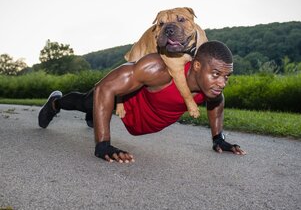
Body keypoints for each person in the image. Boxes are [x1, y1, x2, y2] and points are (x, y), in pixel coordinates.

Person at [38, 41, 246, 163]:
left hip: (140, 121)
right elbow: (105, 88)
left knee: (95, 109)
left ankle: (93, 115)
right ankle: (55, 102)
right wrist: (103, 145)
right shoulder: (160, 69)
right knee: (88, 101)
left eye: (226, 76)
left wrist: (218, 138)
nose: (222, 83)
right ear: (197, 66)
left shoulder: (210, 90)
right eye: (216, 74)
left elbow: (217, 102)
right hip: (125, 99)